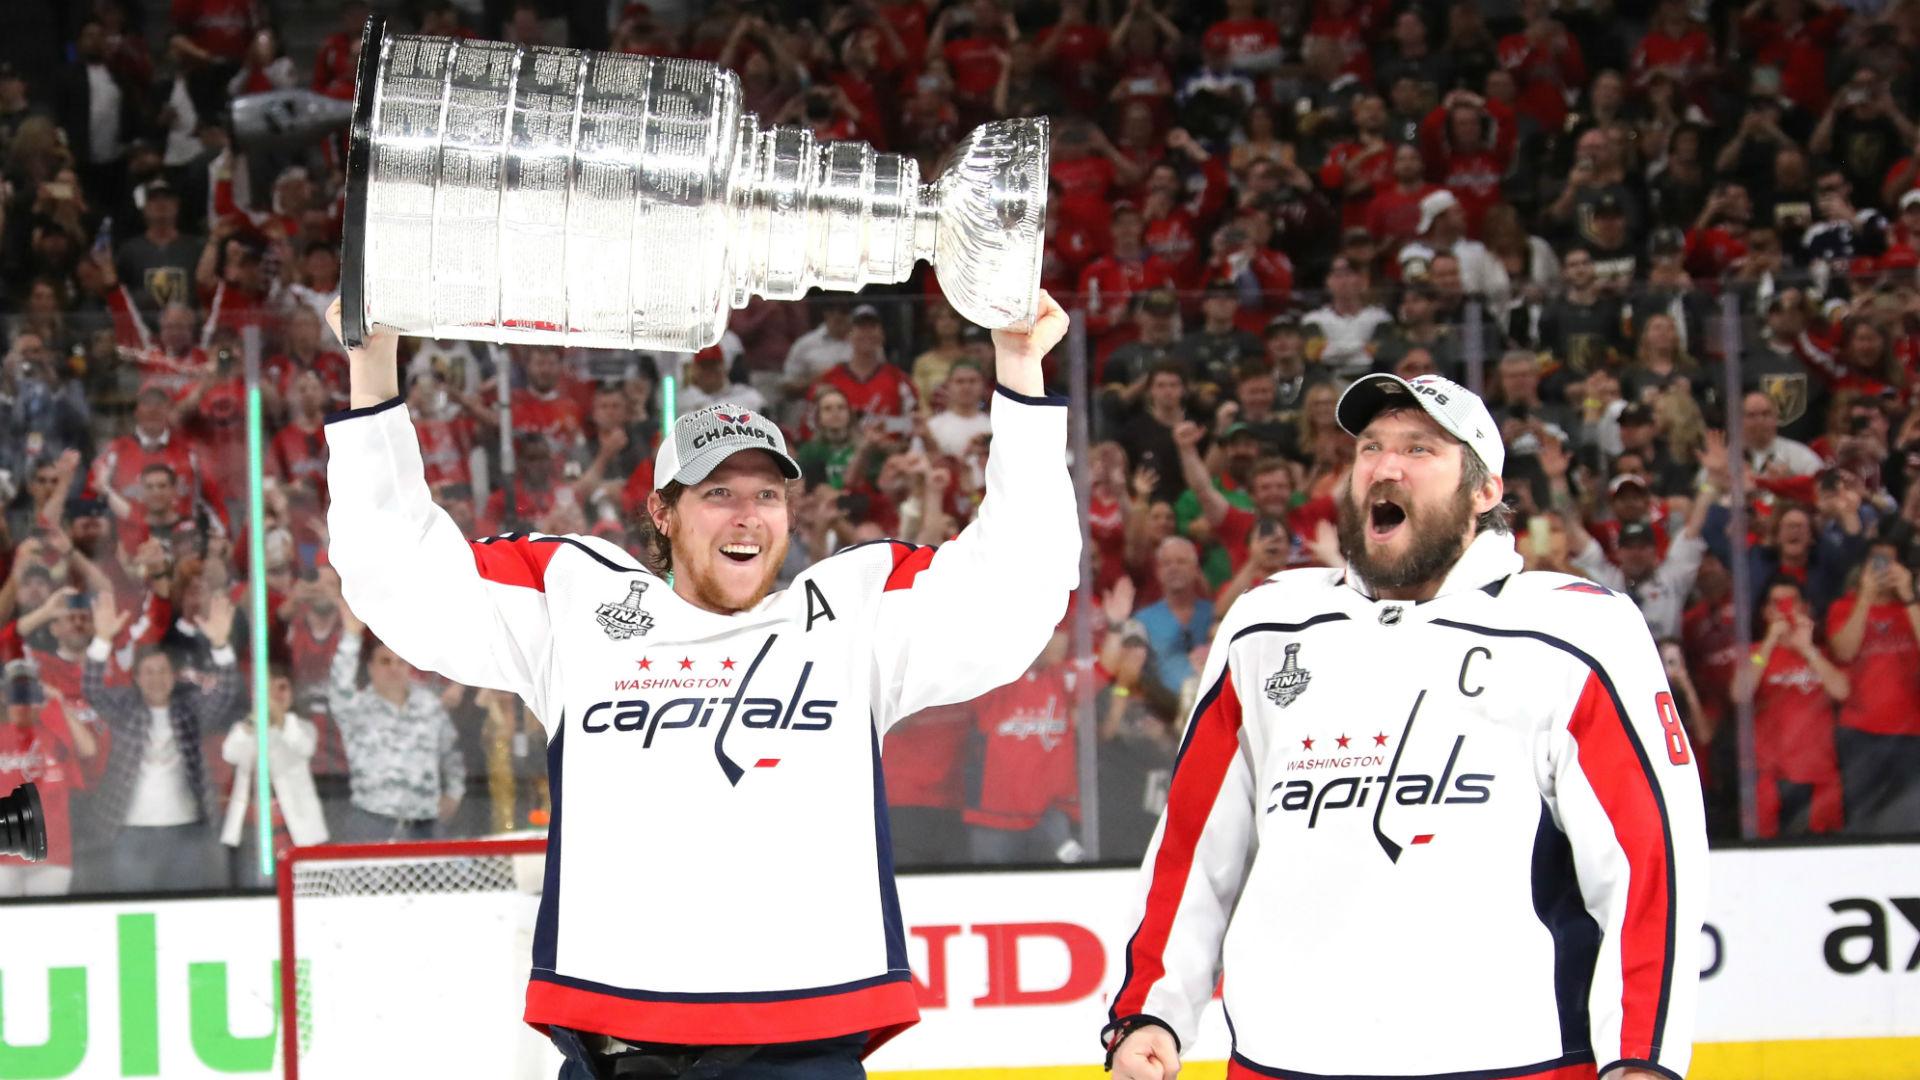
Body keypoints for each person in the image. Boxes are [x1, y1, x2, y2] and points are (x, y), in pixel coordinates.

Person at [321, 289, 1076, 1078]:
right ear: (663, 512)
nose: (747, 515)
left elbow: (1015, 593)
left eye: (767, 495)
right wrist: (371, 366)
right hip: (618, 1050)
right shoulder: (582, 603)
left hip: (801, 1050)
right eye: (718, 493)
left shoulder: (853, 617)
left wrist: (1020, 373)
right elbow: (399, 574)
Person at [1105, 372, 1706, 1080]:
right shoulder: (1267, 626)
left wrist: (1642, 1059)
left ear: (1484, 493)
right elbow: (1193, 843)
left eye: (1421, 449)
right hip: (1284, 1064)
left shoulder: (1572, 629)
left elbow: (1649, 863)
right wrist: (1152, 1009)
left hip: (1516, 1064)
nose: (1386, 466)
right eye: (1371, 448)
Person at [81, 589, 238, 891]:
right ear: (137, 679)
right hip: (130, 830)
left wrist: (220, 644)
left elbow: (226, 693)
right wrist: (101, 640)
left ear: (174, 676)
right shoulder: (125, 709)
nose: (156, 678)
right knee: (135, 919)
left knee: (184, 914)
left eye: (163, 671)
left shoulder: (188, 711)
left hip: (186, 831)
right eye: (148, 672)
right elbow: (92, 690)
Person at [219, 662, 329, 887]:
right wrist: (257, 718)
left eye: (282, 688)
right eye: (269, 689)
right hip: (252, 831)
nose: (276, 695)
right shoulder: (245, 728)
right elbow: (230, 752)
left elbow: (304, 746)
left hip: (295, 830)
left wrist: (278, 716)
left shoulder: (302, 726)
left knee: (301, 894)